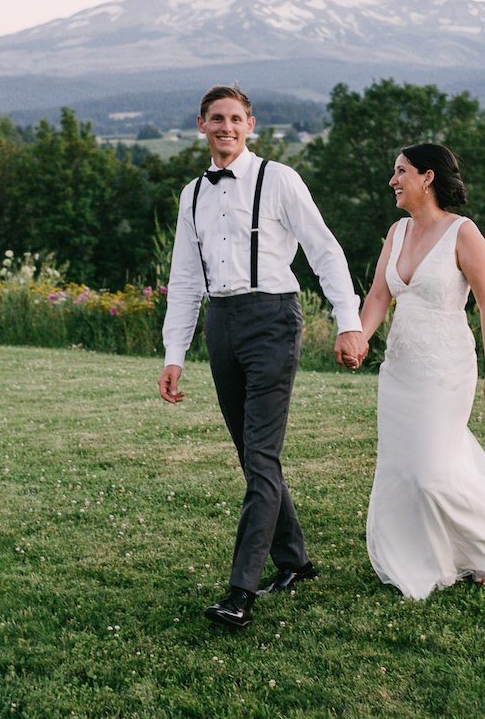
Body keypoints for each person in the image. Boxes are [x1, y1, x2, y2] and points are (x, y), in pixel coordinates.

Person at [158, 85, 368, 629]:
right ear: (200, 124)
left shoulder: (279, 179)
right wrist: (174, 353)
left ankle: (240, 591)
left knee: (260, 458)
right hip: (221, 323)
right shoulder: (192, 195)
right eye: (216, 119)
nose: (226, 127)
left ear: (250, 125)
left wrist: (349, 322)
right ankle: (295, 561)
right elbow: (183, 278)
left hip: (274, 319)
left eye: (235, 118)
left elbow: (324, 249)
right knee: (252, 454)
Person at [356, 144, 485, 599]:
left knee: (432, 472)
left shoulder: (463, 234)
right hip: (401, 369)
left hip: (446, 367)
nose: (393, 180)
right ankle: (422, 553)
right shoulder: (397, 232)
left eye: (400, 171)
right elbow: (377, 298)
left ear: (427, 178)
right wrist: (361, 336)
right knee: (403, 468)